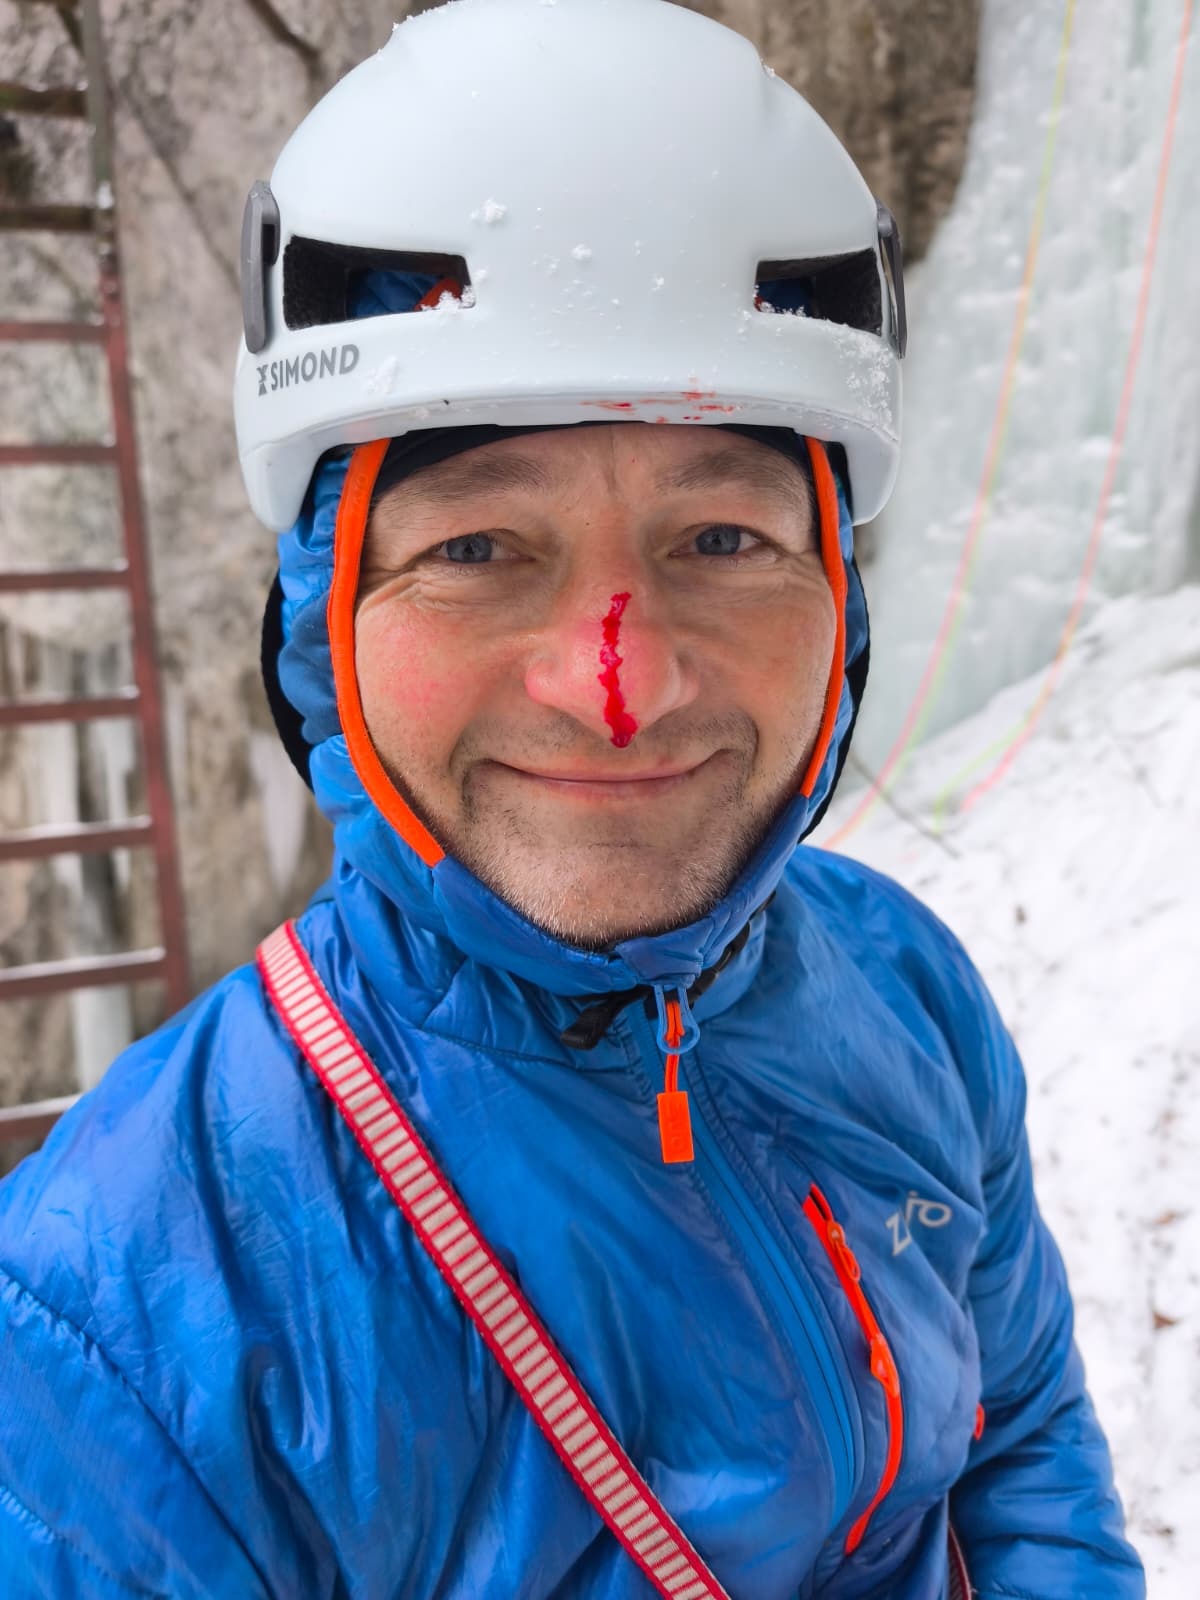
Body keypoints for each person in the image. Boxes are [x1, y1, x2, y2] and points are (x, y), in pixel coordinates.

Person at [0, 1, 1145, 1596]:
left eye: (723, 540)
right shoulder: (113, 1329)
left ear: (843, 606)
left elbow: (1018, 1433)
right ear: (318, 631)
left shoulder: (908, 990)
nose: (620, 686)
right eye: (476, 549)